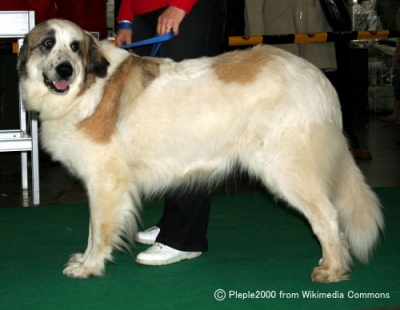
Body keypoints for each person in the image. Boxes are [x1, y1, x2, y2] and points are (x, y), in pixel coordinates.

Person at [115, 0, 227, 266]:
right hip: (142, 11)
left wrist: (181, 4)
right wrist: (126, 18)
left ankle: (185, 237)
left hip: (190, 8)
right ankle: (171, 222)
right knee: (156, 120)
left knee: (186, 120)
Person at [244, 0, 372, 160]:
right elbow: (253, 6)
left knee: (319, 104)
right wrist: (258, 40)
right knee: (282, 105)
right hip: (279, 36)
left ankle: (322, 155)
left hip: (317, 33)